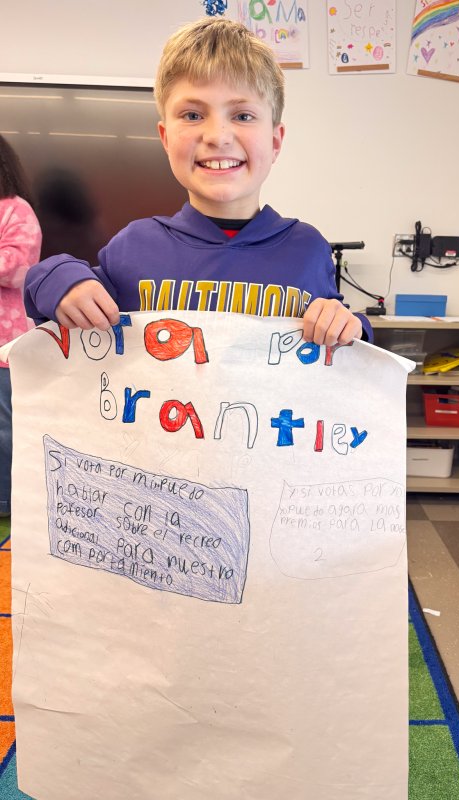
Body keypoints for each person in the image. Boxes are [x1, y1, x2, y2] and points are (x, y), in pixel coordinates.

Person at [24, 17, 372, 347]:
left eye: (242, 115)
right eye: (193, 115)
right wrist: (60, 278)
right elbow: (49, 287)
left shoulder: (307, 249)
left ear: (275, 141)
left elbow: (345, 334)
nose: (217, 136)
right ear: (165, 138)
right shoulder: (135, 246)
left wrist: (352, 325)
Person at [0, 136, 42, 517]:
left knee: (4, 430)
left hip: (4, 347)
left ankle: (7, 502)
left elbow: (16, 269)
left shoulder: (16, 210)